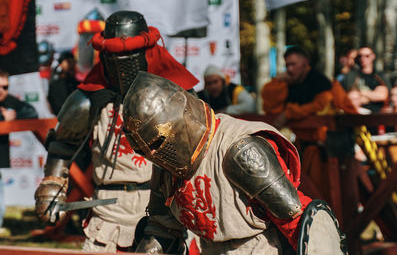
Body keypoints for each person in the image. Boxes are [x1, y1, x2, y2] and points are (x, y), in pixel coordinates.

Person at [122, 72, 346, 255]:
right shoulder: (165, 165)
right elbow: (162, 231)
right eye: (144, 150)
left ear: (182, 117)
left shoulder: (241, 151)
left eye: (157, 142)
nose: (153, 154)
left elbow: (297, 220)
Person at [34, 11, 198, 252]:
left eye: (128, 56)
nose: (123, 66)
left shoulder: (174, 94)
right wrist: (53, 182)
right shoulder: (89, 98)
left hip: (163, 210)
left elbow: (197, 150)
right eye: (116, 57)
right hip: (109, 210)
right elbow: (63, 145)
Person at [261, 46, 357, 202]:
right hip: (305, 147)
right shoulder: (290, 84)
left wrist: (289, 113)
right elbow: (270, 107)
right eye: (287, 65)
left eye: (293, 64)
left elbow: (321, 105)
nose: (290, 69)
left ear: (305, 62)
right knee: (311, 193)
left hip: (330, 148)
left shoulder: (321, 81)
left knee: (332, 194)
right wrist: (279, 82)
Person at [0, 69, 38, 232]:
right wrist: (2, 118)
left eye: (5, 87)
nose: (2, 91)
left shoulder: (8, 102)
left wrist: (11, 117)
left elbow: (31, 112)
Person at [340, 47, 389, 113]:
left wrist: (360, 93)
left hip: (380, 113)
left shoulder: (381, 76)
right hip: (357, 113)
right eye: (360, 56)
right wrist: (374, 95)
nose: (363, 58)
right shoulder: (351, 76)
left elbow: (384, 96)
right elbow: (350, 97)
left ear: (373, 56)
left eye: (367, 56)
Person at [47, 51, 80, 115]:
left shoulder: (76, 84)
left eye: (74, 62)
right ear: (60, 65)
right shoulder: (55, 84)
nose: (72, 65)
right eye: (69, 62)